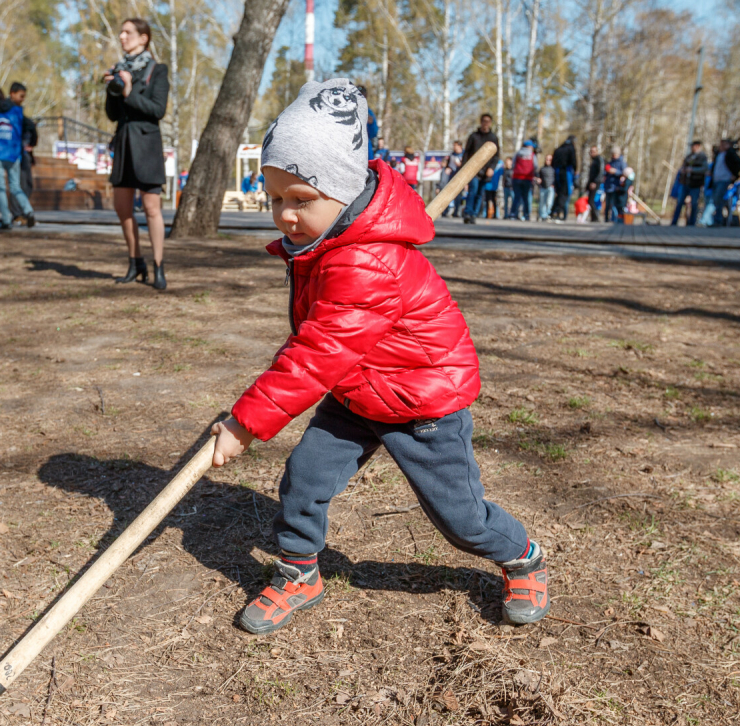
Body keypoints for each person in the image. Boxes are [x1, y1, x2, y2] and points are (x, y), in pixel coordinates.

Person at [210, 79, 550, 635]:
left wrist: (247, 423)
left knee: (461, 519)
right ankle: (299, 573)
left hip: (419, 400)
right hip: (358, 388)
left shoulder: (364, 261)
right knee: (304, 479)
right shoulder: (328, 242)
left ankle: (523, 557)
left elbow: (319, 351)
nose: (285, 215)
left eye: (301, 199)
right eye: (275, 199)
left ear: (343, 191)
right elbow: (321, 341)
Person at [105, 17, 170, 290]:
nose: (122, 36)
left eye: (128, 32)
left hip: (147, 145)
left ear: (143, 38)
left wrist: (129, 91)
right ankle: (135, 262)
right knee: (122, 209)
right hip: (123, 144)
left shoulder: (157, 69)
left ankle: (158, 266)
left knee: (152, 209)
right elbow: (112, 115)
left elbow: (158, 110)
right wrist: (112, 89)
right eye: (121, 32)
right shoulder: (118, 70)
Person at [0, 86, 36, 231]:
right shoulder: (16, 111)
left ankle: (6, 220)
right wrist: (30, 143)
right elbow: (28, 126)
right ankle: (29, 210)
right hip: (13, 153)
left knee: (0, 189)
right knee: (15, 186)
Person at [7, 82, 39, 218]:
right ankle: (17, 213)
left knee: (27, 183)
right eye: (21, 96)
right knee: (18, 184)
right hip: (13, 152)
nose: (22, 99)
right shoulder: (7, 109)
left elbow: (29, 126)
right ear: (12, 94)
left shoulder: (18, 110)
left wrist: (31, 144)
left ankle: (23, 211)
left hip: (23, 151)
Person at [461, 114, 499, 224]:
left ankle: (474, 214)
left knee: (480, 193)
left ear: (490, 123)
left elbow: (496, 155)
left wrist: (492, 168)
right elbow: (466, 153)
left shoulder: (493, 138)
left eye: (488, 121)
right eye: (484, 121)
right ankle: (468, 213)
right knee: (472, 190)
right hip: (473, 170)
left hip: (486, 171)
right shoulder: (474, 136)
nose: (486, 123)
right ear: (481, 122)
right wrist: (464, 168)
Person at [704, 138, 740, 227]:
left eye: (723, 145)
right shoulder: (719, 155)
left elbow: (739, 163)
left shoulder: (730, 154)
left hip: (724, 180)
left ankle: (717, 220)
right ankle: (715, 220)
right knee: (715, 200)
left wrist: (734, 175)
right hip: (716, 180)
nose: (721, 146)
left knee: (718, 200)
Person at [672, 140, 707, 226]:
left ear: (697, 146)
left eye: (693, 146)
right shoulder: (689, 156)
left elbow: (704, 169)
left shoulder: (702, 157)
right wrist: (683, 170)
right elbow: (683, 166)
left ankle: (692, 223)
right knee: (680, 202)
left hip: (695, 184)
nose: (692, 148)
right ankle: (674, 222)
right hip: (685, 182)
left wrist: (693, 170)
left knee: (694, 203)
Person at [551, 135, 577, 219]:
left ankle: (552, 212)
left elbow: (553, 162)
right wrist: (575, 169)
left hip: (557, 172)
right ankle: (558, 212)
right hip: (566, 172)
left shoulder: (558, 149)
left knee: (559, 193)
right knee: (565, 193)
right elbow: (573, 161)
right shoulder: (571, 148)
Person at [509, 142, 536, 220]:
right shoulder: (532, 155)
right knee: (525, 197)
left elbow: (513, 164)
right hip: (527, 178)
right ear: (529, 146)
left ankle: (513, 213)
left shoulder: (518, 154)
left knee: (516, 197)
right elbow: (535, 165)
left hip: (516, 178)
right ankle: (526, 214)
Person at [602, 145, 627, 223]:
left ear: (618, 154)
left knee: (614, 204)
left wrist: (615, 172)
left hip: (616, 187)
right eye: (612, 154)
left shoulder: (622, 163)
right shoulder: (610, 163)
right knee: (607, 204)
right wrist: (606, 172)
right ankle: (606, 219)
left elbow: (625, 173)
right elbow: (605, 173)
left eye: (615, 154)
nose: (613, 156)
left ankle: (614, 219)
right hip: (608, 186)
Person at [585, 145, 604, 222]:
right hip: (592, 182)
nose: (591, 153)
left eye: (593, 152)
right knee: (590, 200)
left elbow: (600, 172)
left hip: (596, 183)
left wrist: (595, 182)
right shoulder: (594, 160)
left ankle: (596, 217)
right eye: (591, 152)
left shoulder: (599, 160)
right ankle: (593, 218)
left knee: (592, 200)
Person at [360, 84, 378, 161]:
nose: (361, 97)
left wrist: (371, 124)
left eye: (363, 95)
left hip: (366, 150)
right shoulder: (345, 109)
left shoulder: (369, 112)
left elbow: (374, 133)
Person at [537, 154, 556, 220]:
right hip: (543, 187)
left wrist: (554, 185)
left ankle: (548, 214)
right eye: (547, 159)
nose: (548, 161)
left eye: (549, 160)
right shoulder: (542, 169)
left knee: (549, 202)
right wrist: (538, 181)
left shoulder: (554, 169)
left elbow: (556, 178)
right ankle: (543, 216)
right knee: (542, 203)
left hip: (550, 188)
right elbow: (539, 177)